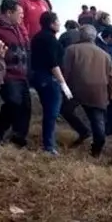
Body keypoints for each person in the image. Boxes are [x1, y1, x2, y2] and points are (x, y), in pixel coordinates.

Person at [59, 25, 112, 157]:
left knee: (65, 110)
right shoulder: (105, 55)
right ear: (94, 37)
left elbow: (65, 72)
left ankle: (83, 131)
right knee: (97, 122)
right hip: (98, 92)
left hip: (75, 90)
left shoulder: (71, 50)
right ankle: (96, 150)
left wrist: (63, 90)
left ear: (80, 35)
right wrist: (109, 95)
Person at [29, 11, 74, 154]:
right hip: (49, 79)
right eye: (58, 21)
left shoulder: (37, 37)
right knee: (52, 113)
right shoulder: (51, 40)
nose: (60, 23)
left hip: (37, 77)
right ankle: (49, 146)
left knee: (49, 112)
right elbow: (53, 64)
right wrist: (63, 83)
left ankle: (49, 143)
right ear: (52, 23)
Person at [0, 0, 31, 147]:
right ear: (9, 13)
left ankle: (19, 136)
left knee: (26, 106)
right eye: (20, 13)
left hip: (22, 74)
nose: (22, 16)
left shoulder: (18, 29)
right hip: (8, 74)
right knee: (13, 103)